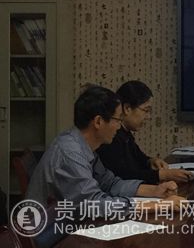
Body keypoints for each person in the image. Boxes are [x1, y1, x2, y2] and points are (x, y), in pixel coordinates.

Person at [27, 85, 185, 247]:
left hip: (70, 225)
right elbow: (94, 204)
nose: (119, 126)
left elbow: (109, 183)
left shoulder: (83, 145)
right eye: (117, 120)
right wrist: (158, 205)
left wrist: (155, 191)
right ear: (98, 121)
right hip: (48, 235)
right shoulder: (70, 153)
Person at [98, 80, 192, 183]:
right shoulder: (111, 135)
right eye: (146, 110)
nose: (148, 117)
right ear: (127, 108)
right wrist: (162, 175)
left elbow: (140, 158)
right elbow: (122, 176)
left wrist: (151, 161)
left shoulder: (126, 133)